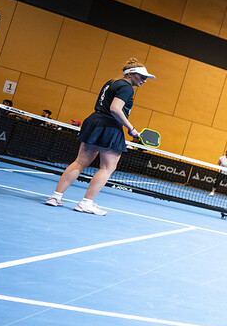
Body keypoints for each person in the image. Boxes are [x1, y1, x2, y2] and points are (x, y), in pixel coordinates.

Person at [44, 58, 153, 215]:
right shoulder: (127, 88)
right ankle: (86, 203)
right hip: (109, 125)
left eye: (146, 78)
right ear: (130, 74)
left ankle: (55, 197)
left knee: (79, 162)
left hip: (94, 121)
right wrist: (131, 128)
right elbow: (115, 108)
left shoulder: (112, 82)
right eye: (142, 77)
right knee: (108, 168)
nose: (144, 80)